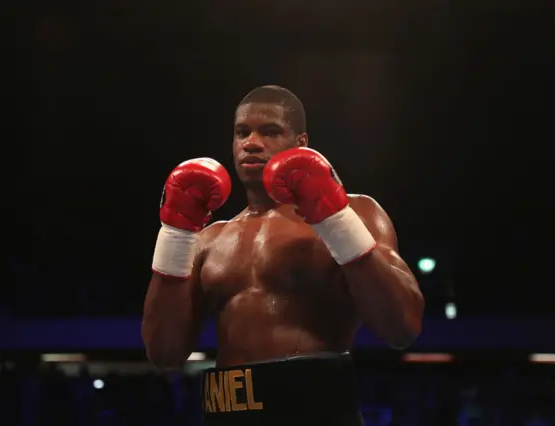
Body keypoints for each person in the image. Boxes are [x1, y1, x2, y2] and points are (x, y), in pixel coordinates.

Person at [142, 85, 424, 426]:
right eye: (242, 132)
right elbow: (164, 354)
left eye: (270, 132)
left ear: (301, 143)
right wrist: (175, 233)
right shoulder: (208, 240)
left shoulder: (357, 213)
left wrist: (335, 220)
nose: (252, 142)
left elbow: (402, 327)